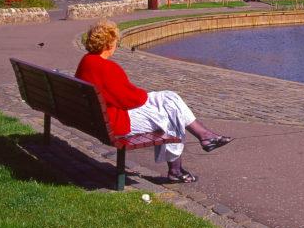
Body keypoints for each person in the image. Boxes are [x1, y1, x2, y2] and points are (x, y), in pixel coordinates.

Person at [76, 20, 231, 183]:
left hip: (101, 118)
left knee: (169, 97)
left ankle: (205, 136)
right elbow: (132, 100)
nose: (116, 44)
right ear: (109, 44)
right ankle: (177, 168)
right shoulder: (107, 68)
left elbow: (122, 96)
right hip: (116, 123)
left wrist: (147, 97)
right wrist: (144, 96)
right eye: (116, 42)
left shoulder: (87, 61)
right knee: (171, 115)